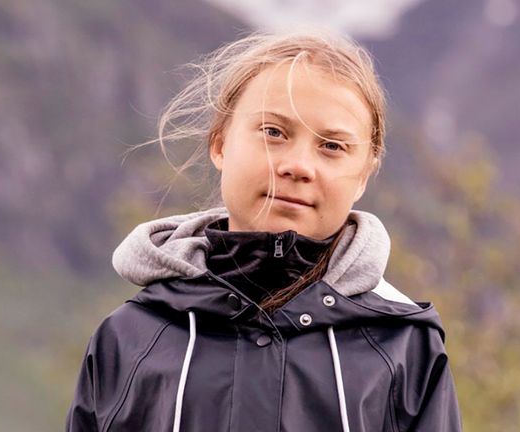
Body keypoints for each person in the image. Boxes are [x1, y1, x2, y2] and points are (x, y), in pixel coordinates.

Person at [65, 29, 462, 432]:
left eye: (332, 146)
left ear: (363, 175)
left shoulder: (404, 346)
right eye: (274, 132)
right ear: (220, 144)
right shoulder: (128, 338)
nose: (298, 166)